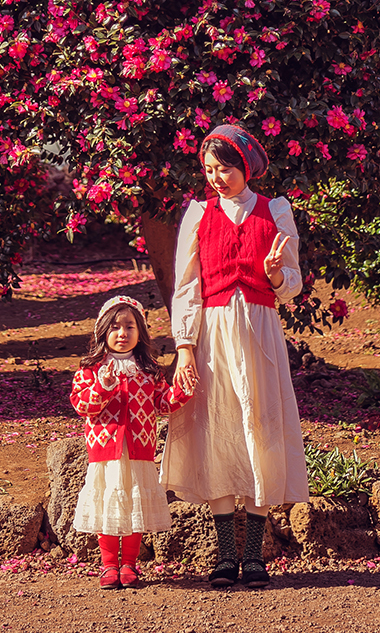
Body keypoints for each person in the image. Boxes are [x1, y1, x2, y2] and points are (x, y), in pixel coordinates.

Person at [160, 123, 309, 589]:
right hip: (214, 333)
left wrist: (274, 275)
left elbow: (293, 284)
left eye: (224, 168)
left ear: (245, 167)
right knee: (218, 428)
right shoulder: (199, 214)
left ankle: (254, 555)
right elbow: (186, 287)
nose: (216, 177)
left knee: (260, 425)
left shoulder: (276, 211)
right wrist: (185, 348)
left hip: (261, 331)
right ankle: (226, 556)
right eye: (209, 169)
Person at [71, 294, 193, 588]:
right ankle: (109, 565)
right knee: (110, 505)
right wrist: (103, 387)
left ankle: (130, 565)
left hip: (139, 451)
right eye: (114, 327)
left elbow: (162, 404)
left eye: (129, 327)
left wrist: (182, 391)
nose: (122, 333)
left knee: (134, 506)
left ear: (140, 333)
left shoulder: (149, 370)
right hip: (107, 452)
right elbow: (81, 405)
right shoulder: (91, 370)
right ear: (103, 332)